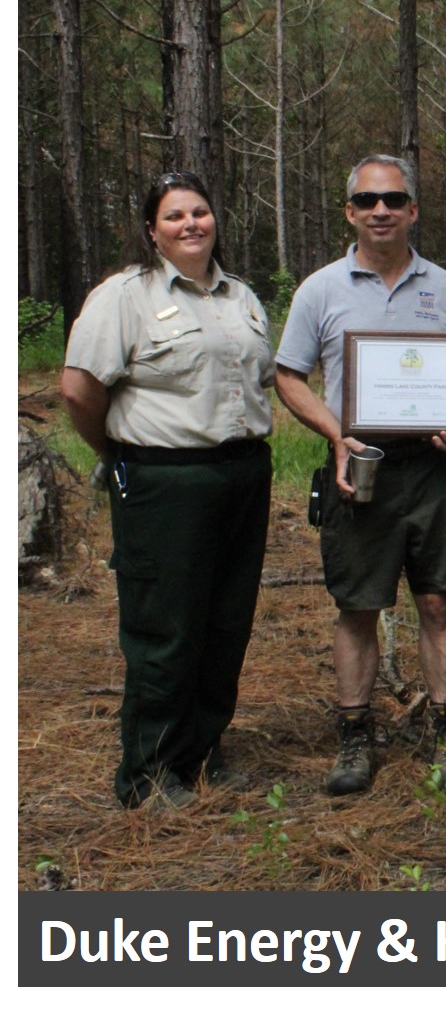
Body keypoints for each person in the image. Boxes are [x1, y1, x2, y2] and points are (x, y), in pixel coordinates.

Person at [61, 171, 274, 809]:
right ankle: (149, 775)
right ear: (153, 230)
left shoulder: (242, 297)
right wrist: (118, 455)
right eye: (174, 216)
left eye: (200, 212)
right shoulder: (123, 297)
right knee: (166, 629)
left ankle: (202, 754)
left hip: (241, 474)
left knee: (224, 623)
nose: (191, 224)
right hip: (163, 481)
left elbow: (259, 381)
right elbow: (78, 389)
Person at [275, 154, 446, 797]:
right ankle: (355, 735)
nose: (381, 210)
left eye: (393, 199)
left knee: (438, 600)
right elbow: (288, 376)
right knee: (358, 605)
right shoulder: (320, 290)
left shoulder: (444, 287)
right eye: (367, 200)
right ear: (350, 212)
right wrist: (337, 434)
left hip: (433, 469)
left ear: (413, 209)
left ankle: (445, 732)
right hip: (360, 469)